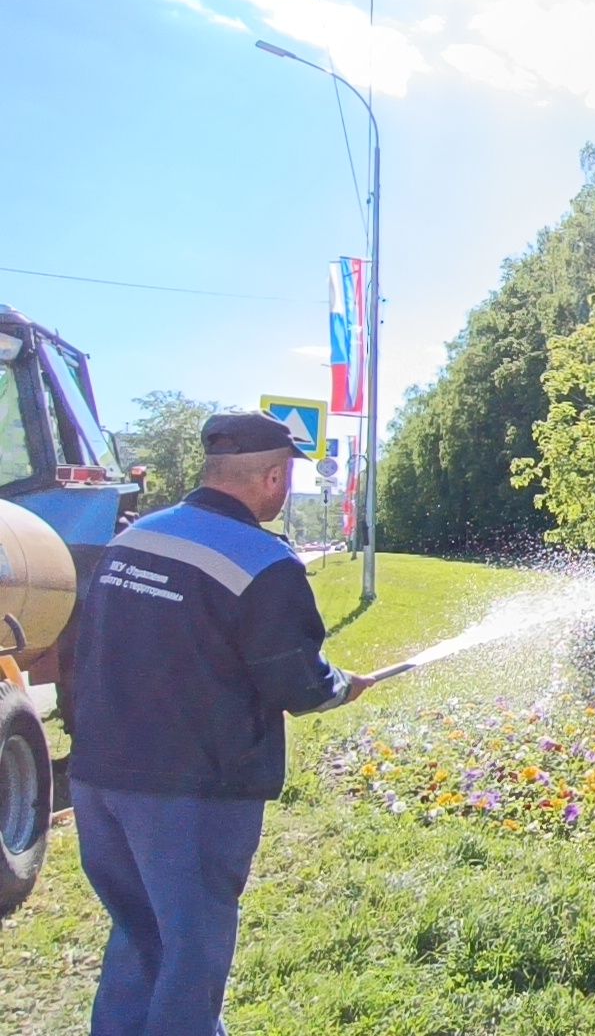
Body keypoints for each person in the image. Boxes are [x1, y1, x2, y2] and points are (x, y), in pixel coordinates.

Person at [65, 410, 375, 1036]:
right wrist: (342, 687)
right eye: (285, 476)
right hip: (189, 796)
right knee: (191, 952)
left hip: (98, 781)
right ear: (268, 476)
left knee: (139, 933)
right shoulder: (263, 562)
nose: (285, 489)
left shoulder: (134, 539)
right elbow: (298, 686)